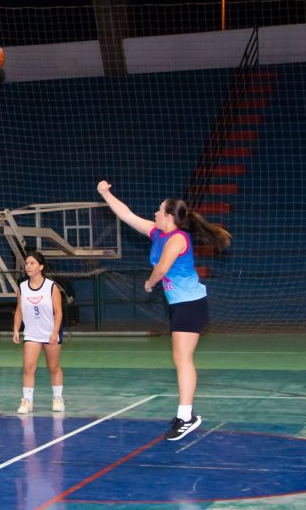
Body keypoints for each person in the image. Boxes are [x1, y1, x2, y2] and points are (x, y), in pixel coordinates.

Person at [97, 180, 231, 441]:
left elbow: (161, 269)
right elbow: (126, 214)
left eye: (159, 211)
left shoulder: (178, 239)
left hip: (191, 304)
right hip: (181, 305)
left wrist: (148, 283)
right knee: (180, 359)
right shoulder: (158, 233)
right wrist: (105, 193)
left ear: (169, 216)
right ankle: (184, 414)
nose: (155, 214)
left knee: (183, 360)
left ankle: (186, 416)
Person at [13, 252, 65, 414]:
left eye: (32, 263)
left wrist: (55, 332)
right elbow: (19, 310)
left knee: (53, 367)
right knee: (28, 368)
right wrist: (16, 329)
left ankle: (58, 398)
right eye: (27, 263)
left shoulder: (51, 286)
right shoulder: (22, 287)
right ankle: (27, 400)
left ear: (41, 267)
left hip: (50, 332)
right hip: (31, 334)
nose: (28, 266)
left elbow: (58, 312)